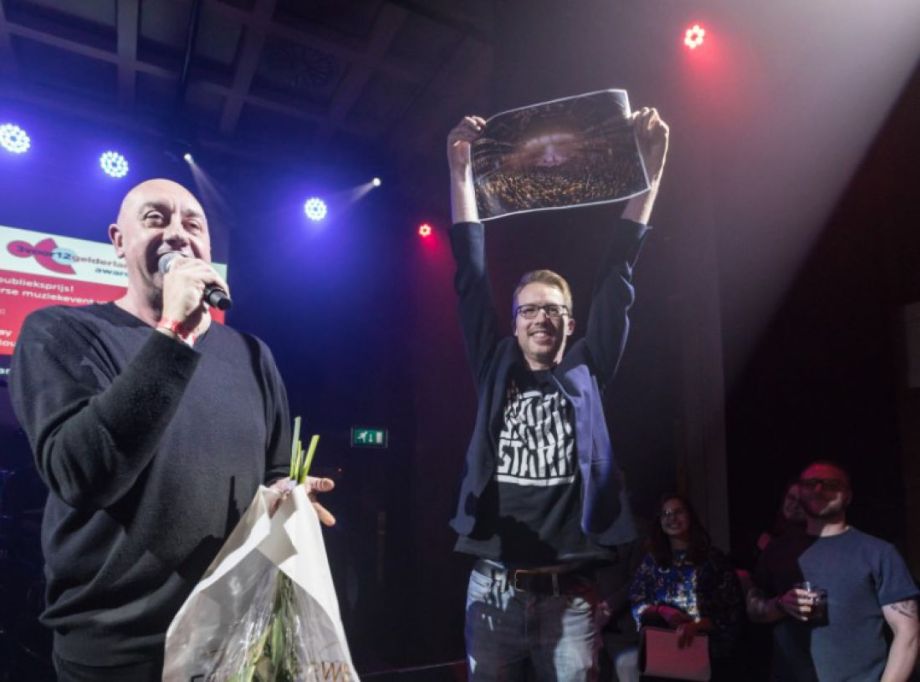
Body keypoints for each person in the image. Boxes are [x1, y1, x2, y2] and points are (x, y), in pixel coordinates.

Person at [9, 178, 335, 681]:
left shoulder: (252, 355)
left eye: (192, 223)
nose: (178, 234)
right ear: (118, 241)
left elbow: (271, 471)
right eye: (156, 219)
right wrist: (174, 333)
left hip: (233, 645)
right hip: (118, 653)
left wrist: (289, 499)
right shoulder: (59, 332)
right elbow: (82, 474)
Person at [446, 107, 669, 680]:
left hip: (570, 600)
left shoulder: (589, 368)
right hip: (494, 590)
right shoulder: (494, 364)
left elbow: (618, 269)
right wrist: (459, 170)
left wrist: (653, 169)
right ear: (515, 322)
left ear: (570, 323)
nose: (541, 317)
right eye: (529, 309)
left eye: (554, 309)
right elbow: (470, 275)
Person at [747, 461, 919, 681]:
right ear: (799, 492)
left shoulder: (878, 552)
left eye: (831, 484)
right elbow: (754, 611)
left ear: (848, 496)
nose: (819, 489)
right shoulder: (777, 551)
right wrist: (780, 604)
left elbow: (908, 632)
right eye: (811, 483)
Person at [626, 495, 745, 682]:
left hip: (703, 651)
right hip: (661, 652)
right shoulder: (651, 562)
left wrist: (695, 626)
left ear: (690, 516)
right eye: (666, 514)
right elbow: (636, 600)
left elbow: (730, 611)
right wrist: (662, 610)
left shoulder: (713, 560)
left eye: (678, 512)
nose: (672, 518)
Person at [756, 480, 806, 553]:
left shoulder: (809, 539)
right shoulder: (773, 529)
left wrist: (772, 549)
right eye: (791, 498)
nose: (795, 505)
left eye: (802, 502)